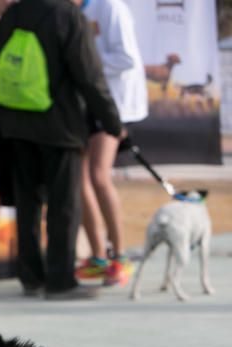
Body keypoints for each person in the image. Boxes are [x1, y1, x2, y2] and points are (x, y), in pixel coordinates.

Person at [0, 0, 122, 299]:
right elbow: (89, 76)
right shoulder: (69, 16)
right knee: (64, 205)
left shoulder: (15, 13)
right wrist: (112, 122)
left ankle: (31, 278)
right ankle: (60, 281)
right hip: (60, 126)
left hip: (14, 124)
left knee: (27, 204)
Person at [75, 0, 147, 287]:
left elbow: (126, 58)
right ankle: (98, 257)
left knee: (99, 175)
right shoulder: (72, 9)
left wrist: (84, 61)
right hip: (84, 104)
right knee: (78, 179)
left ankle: (120, 255)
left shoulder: (111, 7)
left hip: (113, 104)